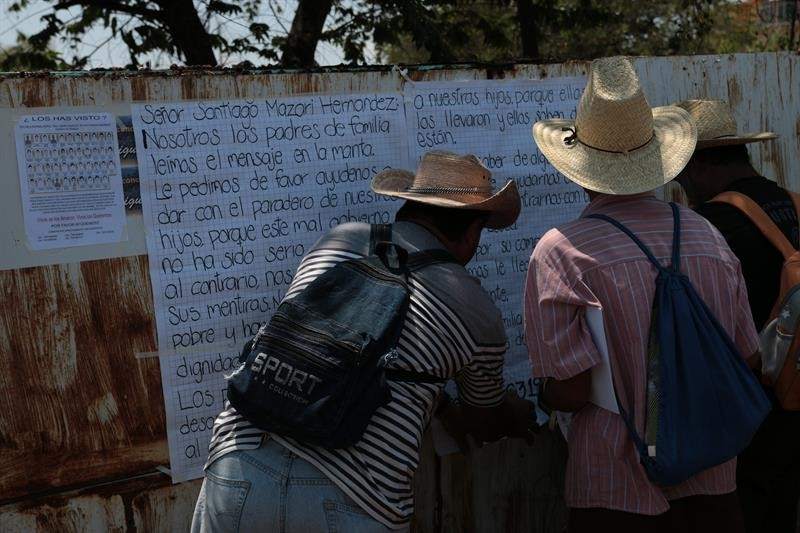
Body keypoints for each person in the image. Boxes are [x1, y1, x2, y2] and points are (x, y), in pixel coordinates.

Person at [192, 151, 537, 533]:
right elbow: (482, 420)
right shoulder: (474, 307)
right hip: (356, 497)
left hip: (239, 465)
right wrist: (519, 415)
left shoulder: (337, 242)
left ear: (409, 205)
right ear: (473, 233)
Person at [525, 57, 759, 533]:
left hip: (615, 485)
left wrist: (544, 396)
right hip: (711, 477)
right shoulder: (708, 237)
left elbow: (570, 391)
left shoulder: (561, 253)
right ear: (656, 157)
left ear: (579, 168)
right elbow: (748, 360)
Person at [672, 99, 800, 533]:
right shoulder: (794, 204)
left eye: (682, 171)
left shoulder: (707, 226)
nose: (681, 183)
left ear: (700, 165)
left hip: (748, 408)